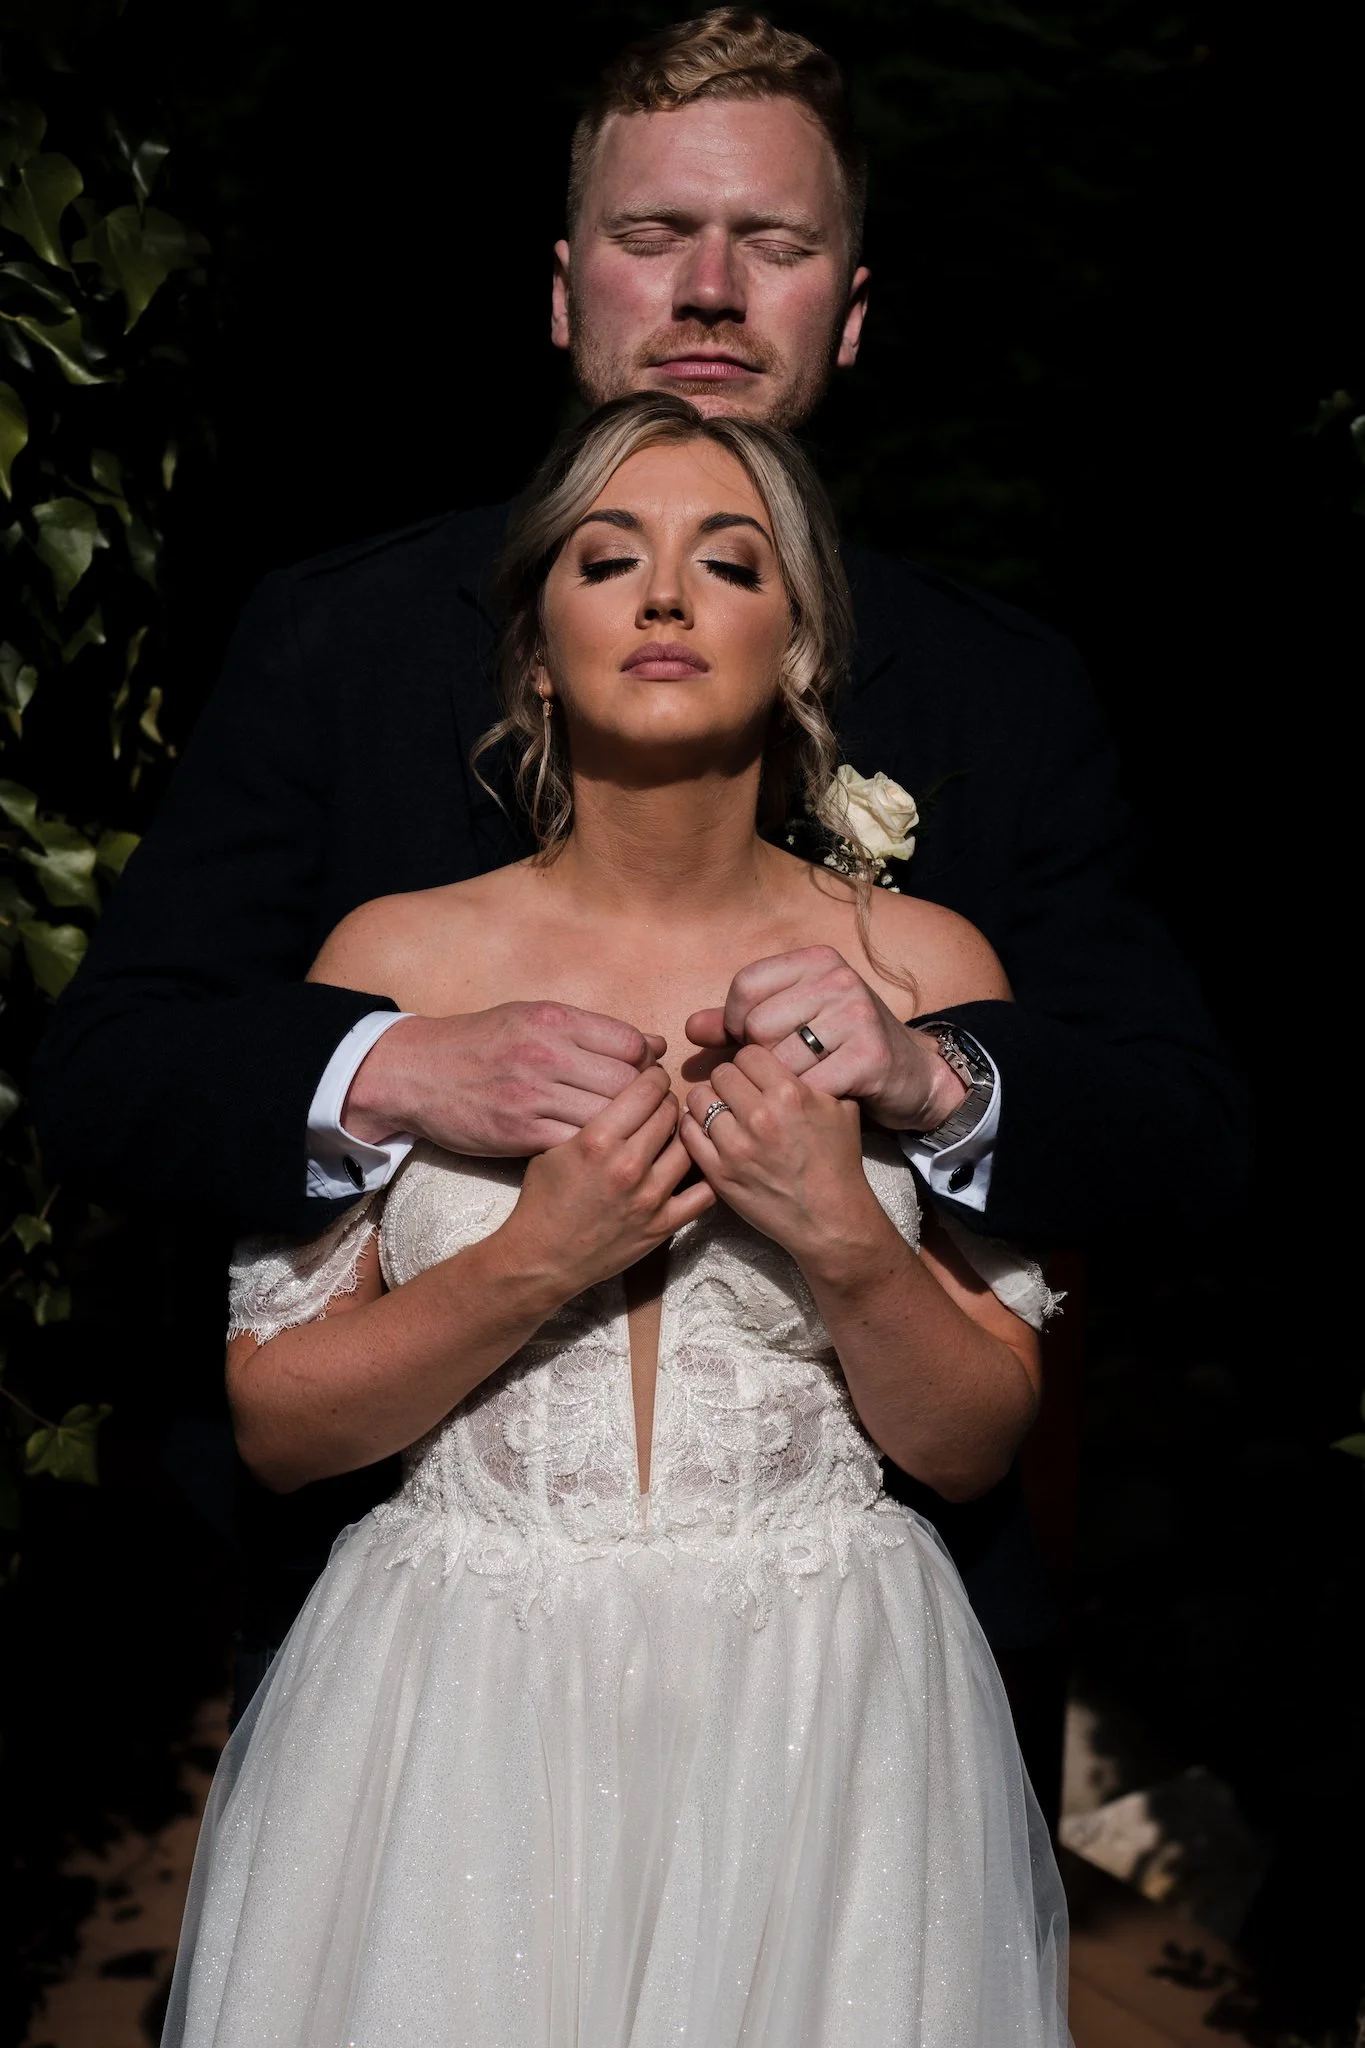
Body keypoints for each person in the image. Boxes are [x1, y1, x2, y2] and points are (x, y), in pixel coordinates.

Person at [31, 12, 1246, 1669]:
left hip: (864, 1662)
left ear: (852, 306)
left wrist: (936, 1085)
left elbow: (1184, 1138)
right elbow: (110, 1076)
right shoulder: (341, 637)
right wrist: (392, 1072)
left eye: (776, 244)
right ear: (562, 288)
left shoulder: (1000, 687)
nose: (709, 291)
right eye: (654, 235)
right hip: (416, 1643)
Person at [162, 395, 1070, 2047]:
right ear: (536, 648)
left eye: (728, 563)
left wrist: (843, 1236)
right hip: (450, 1715)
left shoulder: (922, 974)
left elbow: (975, 1441)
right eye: (608, 557)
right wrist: (536, 1258)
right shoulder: (399, 960)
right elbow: (282, 1428)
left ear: (797, 644)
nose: (664, 598)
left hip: (829, 1713)